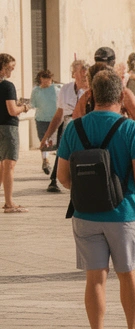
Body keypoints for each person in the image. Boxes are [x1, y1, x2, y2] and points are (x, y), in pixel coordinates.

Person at [56, 70, 135, 329]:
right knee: (127, 274)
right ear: (122, 96)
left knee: (94, 278)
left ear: (91, 97)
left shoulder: (75, 128)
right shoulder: (132, 129)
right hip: (123, 212)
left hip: (86, 214)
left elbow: (62, 177)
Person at [41, 60, 90, 193]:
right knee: (63, 150)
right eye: (81, 70)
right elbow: (59, 114)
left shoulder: (91, 90)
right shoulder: (66, 89)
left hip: (85, 123)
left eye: (86, 69)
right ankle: (54, 179)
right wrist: (47, 136)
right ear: (74, 73)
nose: (84, 72)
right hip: (68, 124)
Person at [1, 53, 31, 213]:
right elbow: (12, 110)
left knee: (2, 166)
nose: (12, 71)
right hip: (8, 128)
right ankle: (9, 203)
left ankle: (7, 201)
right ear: (4, 67)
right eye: (11, 68)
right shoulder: (8, 86)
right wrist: (24, 108)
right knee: (9, 165)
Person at [30, 69, 59, 175]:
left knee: (54, 143)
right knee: (43, 141)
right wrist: (25, 106)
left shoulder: (56, 89)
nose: (47, 81)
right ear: (40, 79)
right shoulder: (36, 90)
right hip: (41, 119)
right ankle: (45, 161)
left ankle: (57, 163)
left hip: (54, 119)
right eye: (44, 78)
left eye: (49, 79)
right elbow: (32, 103)